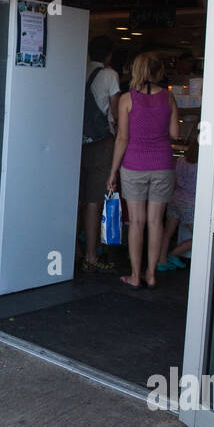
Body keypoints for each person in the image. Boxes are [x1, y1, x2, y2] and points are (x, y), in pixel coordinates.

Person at [107, 50, 181, 289]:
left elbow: (122, 138)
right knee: (155, 222)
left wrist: (112, 172)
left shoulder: (127, 99)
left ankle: (135, 275)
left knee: (137, 222)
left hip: (134, 165)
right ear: (159, 71)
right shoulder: (168, 98)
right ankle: (151, 274)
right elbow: (174, 134)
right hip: (162, 164)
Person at [79, 35, 121, 272]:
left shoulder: (77, 67)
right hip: (100, 142)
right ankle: (91, 254)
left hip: (74, 142)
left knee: (77, 198)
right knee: (94, 199)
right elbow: (115, 111)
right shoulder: (109, 75)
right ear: (108, 55)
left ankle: (72, 248)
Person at [158, 128, 199, 271]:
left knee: (167, 232)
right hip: (191, 203)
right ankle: (174, 254)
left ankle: (161, 261)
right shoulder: (203, 165)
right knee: (201, 237)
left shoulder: (181, 161)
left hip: (175, 198)